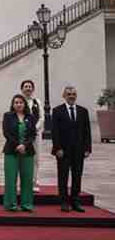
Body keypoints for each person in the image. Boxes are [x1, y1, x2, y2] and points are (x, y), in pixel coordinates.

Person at [52, 85, 92, 213]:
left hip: (79, 150)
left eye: (73, 94)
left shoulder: (83, 111)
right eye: (68, 94)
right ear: (64, 96)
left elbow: (87, 131)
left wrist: (87, 148)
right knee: (63, 176)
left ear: (76, 95)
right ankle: (64, 202)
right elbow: (55, 132)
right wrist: (57, 148)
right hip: (63, 151)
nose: (71, 96)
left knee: (77, 176)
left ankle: (75, 201)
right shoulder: (57, 110)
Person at [2, 94, 37, 212]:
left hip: (28, 152)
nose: (18, 104)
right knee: (11, 178)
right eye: (16, 102)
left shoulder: (31, 117)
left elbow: (33, 134)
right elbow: (6, 133)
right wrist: (17, 145)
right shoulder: (7, 116)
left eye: (21, 102)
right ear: (13, 104)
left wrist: (24, 145)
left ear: (24, 104)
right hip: (11, 151)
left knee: (27, 179)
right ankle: (11, 204)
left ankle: (26, 204)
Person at [20, 79, 43, 192]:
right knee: (22, 158)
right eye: (26, 86)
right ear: (22, 89)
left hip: (36, 134)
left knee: (36, 159)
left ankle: (34, 182)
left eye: (30, 86)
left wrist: (35, 129)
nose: (28, 88)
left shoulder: (37, 102)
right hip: (23, 134)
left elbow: (42, 117)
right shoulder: (18, 101)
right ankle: (21, 183)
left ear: (33, 89)